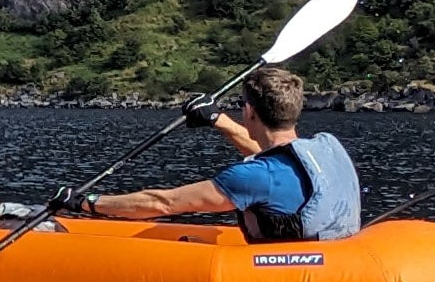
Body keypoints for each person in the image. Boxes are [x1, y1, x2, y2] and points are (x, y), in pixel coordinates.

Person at [73, 63, 359, 240]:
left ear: (248, 111)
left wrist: (86, 202)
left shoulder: (252, 177)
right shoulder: (326, 150)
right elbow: (272, 163)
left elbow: (164, 203)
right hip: (332, 260)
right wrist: (216, 119)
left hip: (280, 277)